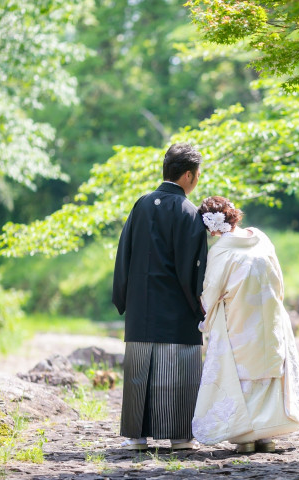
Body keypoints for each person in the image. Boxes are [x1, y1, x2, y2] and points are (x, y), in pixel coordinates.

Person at [112, 143, 208, 451]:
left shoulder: (141, 204)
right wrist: (199, 306)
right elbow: (193, 267)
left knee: (140, 373)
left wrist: (123, 297)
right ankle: (179, 436)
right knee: (178, 372)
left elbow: (123, 253)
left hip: (141, 309)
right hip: (177, 311)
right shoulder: (188, 212)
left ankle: (137, 437)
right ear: (189, 176)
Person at [192, 196, 299, 453]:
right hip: (270, 315)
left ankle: (245, 438)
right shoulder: (261, 239)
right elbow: (278, 279)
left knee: (242, 373)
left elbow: (211, 289)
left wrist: (205, 318)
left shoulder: (221, 250)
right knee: (269, 368)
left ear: (211, 227)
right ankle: (268, 434)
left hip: (240, 318)